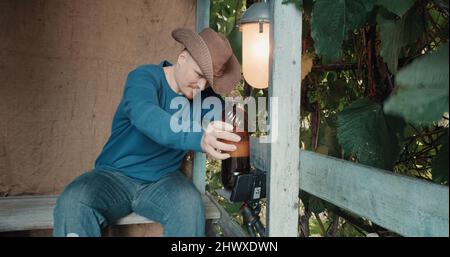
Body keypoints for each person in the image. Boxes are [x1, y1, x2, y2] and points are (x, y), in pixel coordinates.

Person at [53, 27, 242, 237]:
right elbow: (145, 114)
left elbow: (235, 122)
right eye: (199, 75)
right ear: (182, 58)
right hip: (114, 177)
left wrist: (237, 118)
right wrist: (199, 137)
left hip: (164, 182)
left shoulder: (206, 99)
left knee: (189, 204)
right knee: (74, 200)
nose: (201, 86)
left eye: (209, 81)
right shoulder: (144, 78)